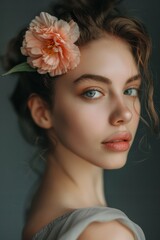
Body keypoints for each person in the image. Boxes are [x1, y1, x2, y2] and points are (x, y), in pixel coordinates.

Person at [2, 0, 158, 239]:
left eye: (130, 90)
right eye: (93, 92)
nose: (125, 114)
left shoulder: (40, 207)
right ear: (42, 112)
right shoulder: (106, 234)